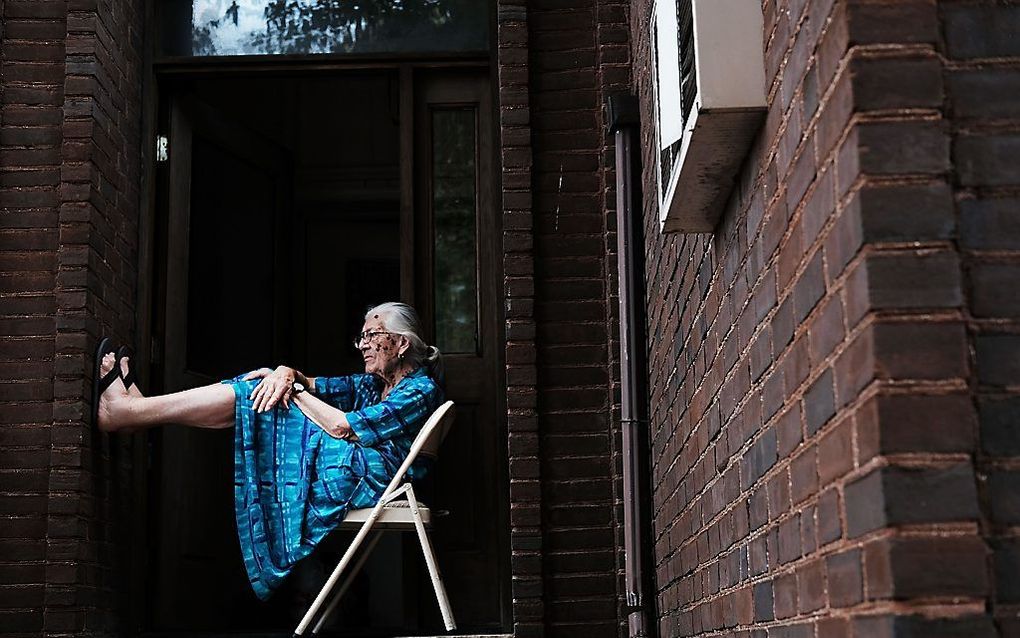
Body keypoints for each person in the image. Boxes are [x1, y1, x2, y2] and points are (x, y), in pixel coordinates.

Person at [93, 302, 444, 599]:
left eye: (373, 336)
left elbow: (342, 427)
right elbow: (309, 381)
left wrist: (289, 389)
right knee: (258, 390)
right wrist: (285, 374)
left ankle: (133, 412)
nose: (363, 345)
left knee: (262, 399)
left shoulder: (420, 390)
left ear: (400, 344)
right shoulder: (371, 383)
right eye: (362, 337)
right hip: (353, 470)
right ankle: (137, 411)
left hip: (370, 479)